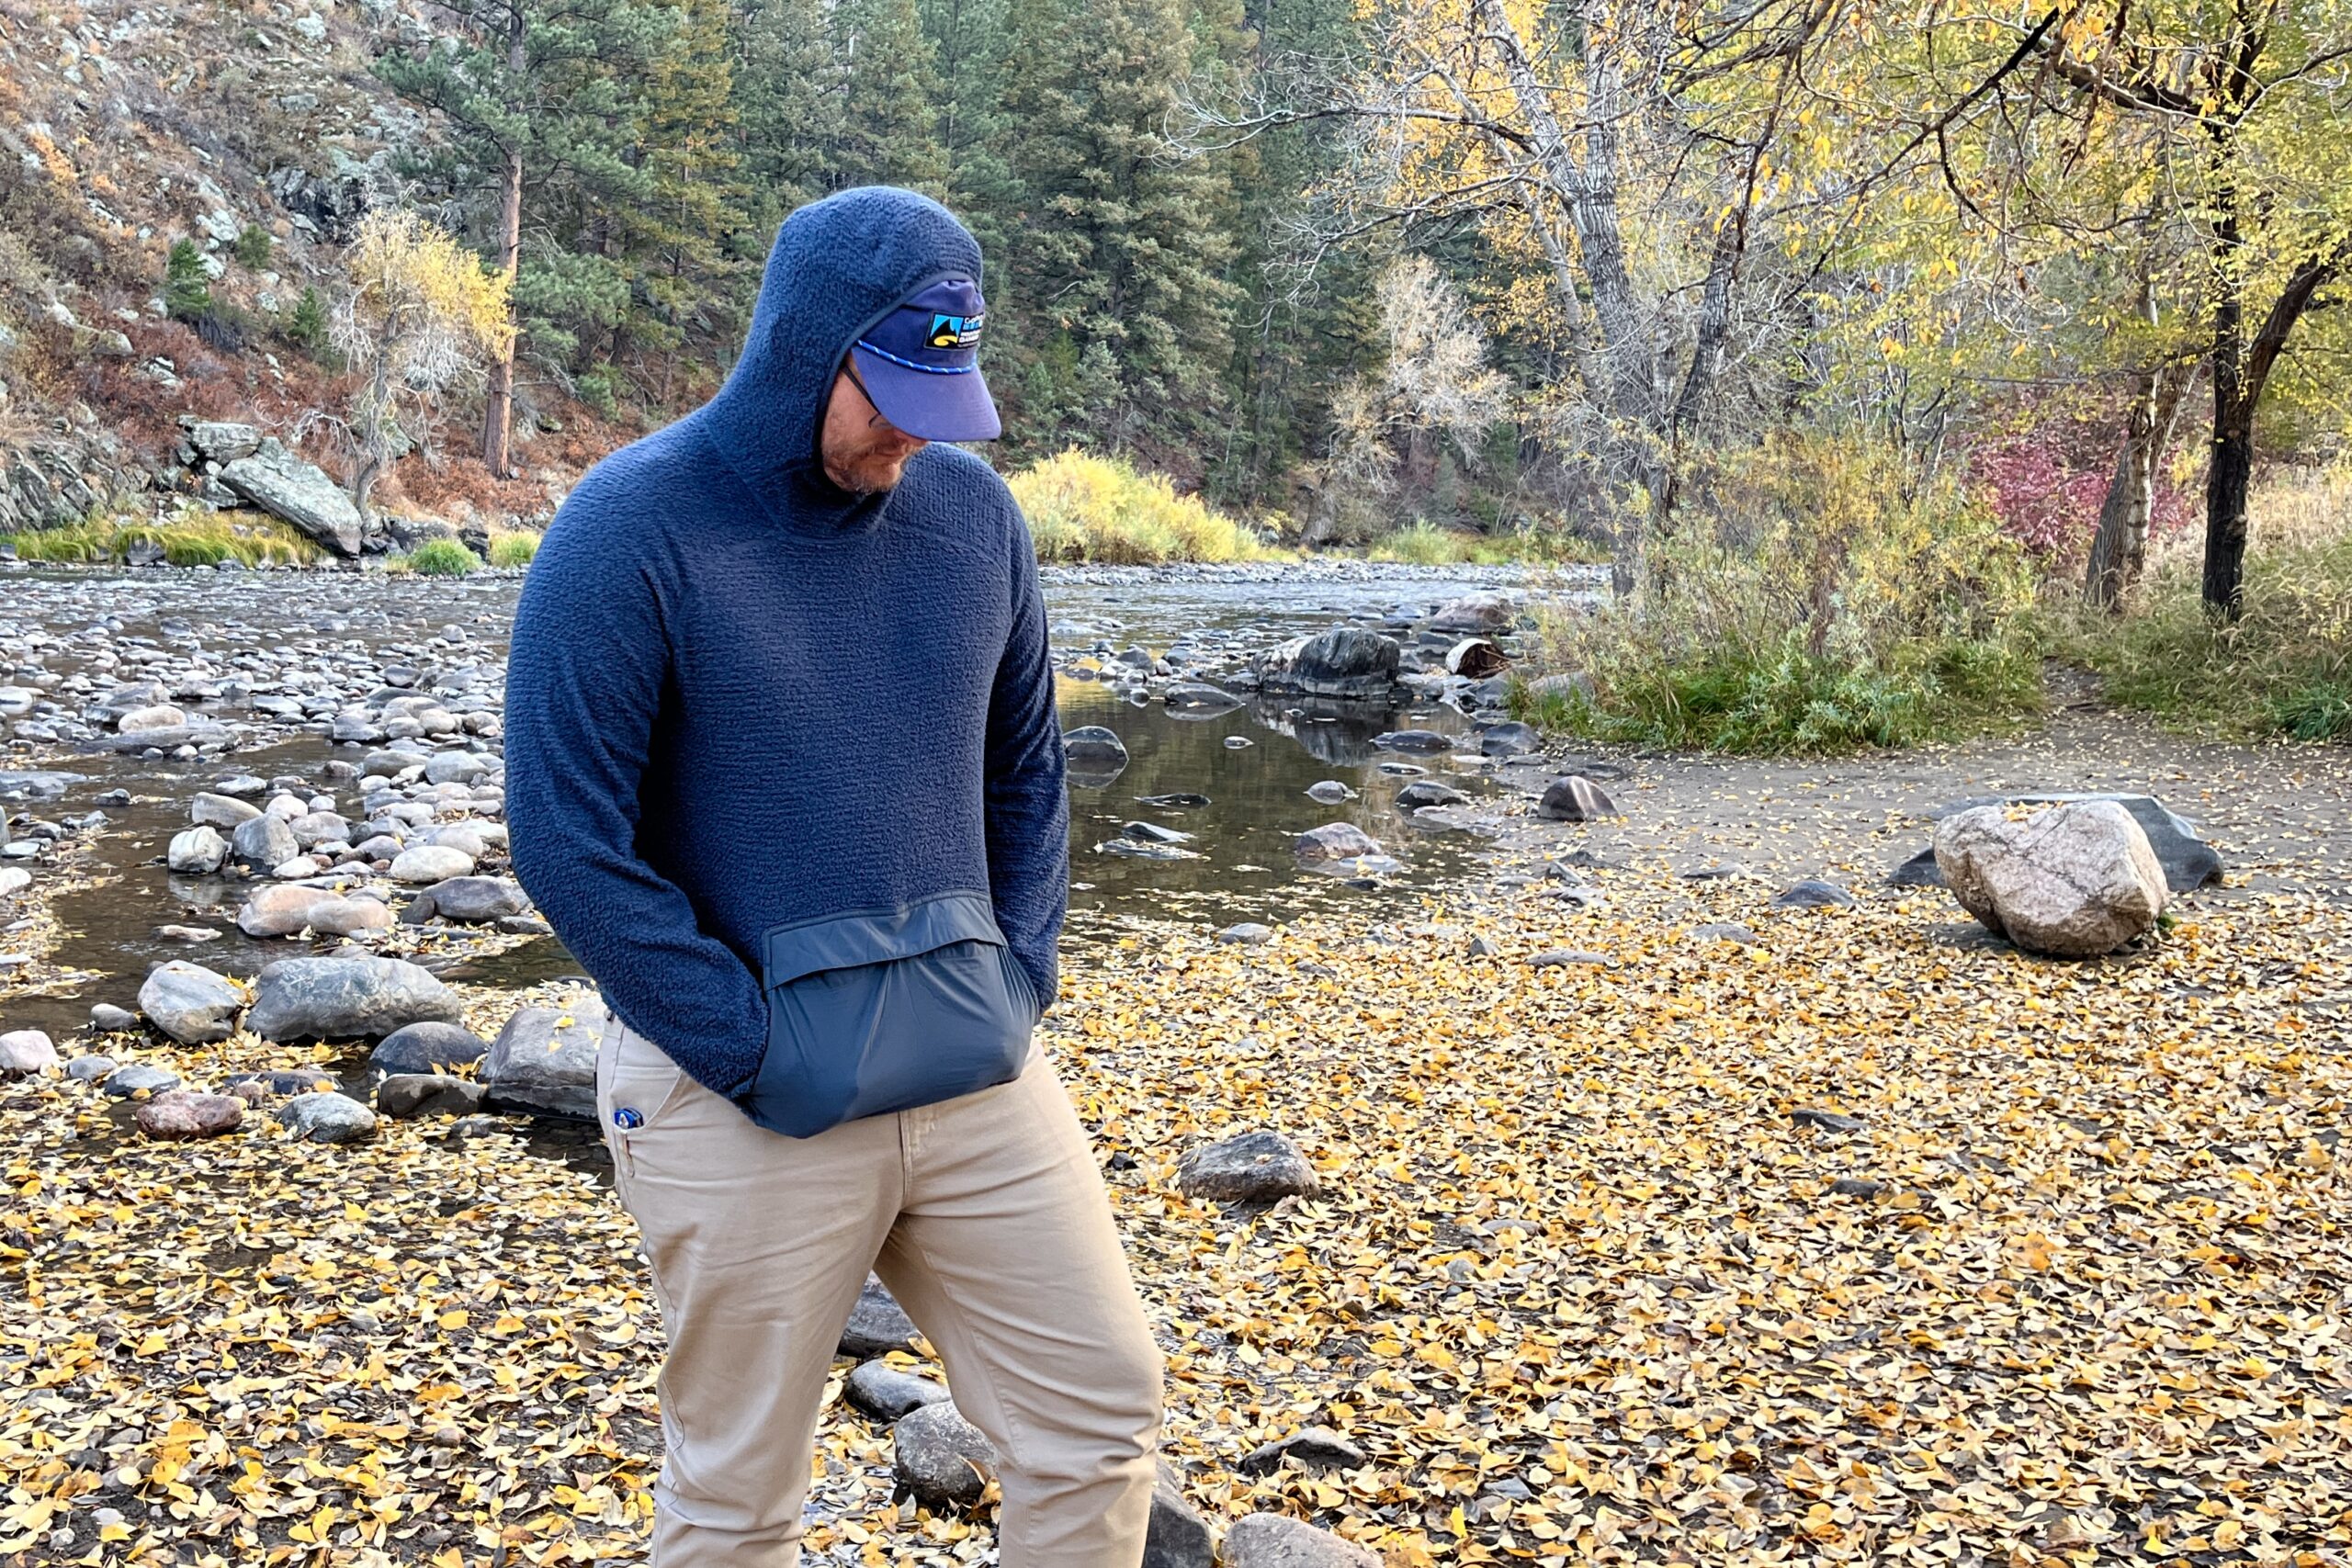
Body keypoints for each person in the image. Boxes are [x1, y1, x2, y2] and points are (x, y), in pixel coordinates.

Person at [503, 186, 1164, 1568]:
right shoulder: (630, 529)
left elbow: (1028, 773)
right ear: (809, 347)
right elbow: (567, 838)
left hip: (974, 1066)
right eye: (900, 394)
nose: (924, 432)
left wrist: (1019, 976)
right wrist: (750, 1050)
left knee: (1100, 1417)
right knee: (737, 1502)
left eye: (952, 393)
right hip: (738, 1094)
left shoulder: (976, 526)